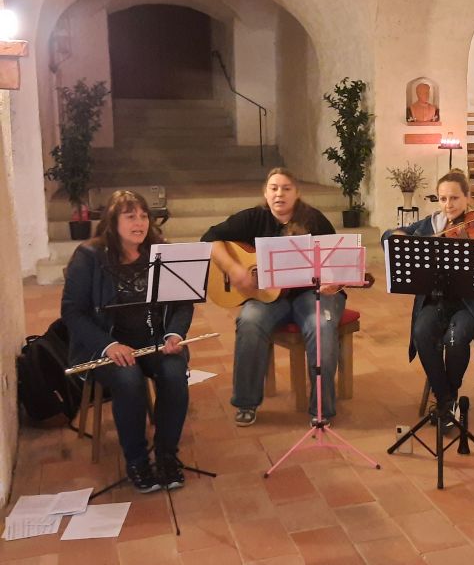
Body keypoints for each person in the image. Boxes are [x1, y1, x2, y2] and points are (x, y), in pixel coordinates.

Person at [62, 190, 193, 492]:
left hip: (155, 340)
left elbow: (183, 302)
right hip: (107, 345)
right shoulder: (89, 256)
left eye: (144, 216)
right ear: (113, 221)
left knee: (175, 372)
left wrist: (174, 334)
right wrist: (109, 346)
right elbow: (72, 312)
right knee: (128, 378)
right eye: (130, 216)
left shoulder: (160, 251)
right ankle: (136, 460)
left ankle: (166, 455)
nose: (140, 223)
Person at [201, 167, 344, 427]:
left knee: (320, 326)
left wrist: (333, 281)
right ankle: (245, 402)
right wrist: (234, 269)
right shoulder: (253, 218)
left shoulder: (315, 221)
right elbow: (210, 238)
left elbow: (336, 262)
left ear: (297, 193)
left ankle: (322, 408)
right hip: (268, 296)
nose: (279, 194)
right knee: (249, 321)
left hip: (311, 293)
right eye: (274, 188)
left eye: (286, 189)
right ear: (265, 193)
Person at [382, 169, 474, 426]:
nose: (448, 205)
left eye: (455, 198)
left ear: (467, 197)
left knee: (455, 337)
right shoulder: (430, 225)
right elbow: (388, 236)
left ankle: (447, 399)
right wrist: (396, 236)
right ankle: (447, 400)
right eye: (443, 198)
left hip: (472, 305)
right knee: (421, 332)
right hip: (438, 300)